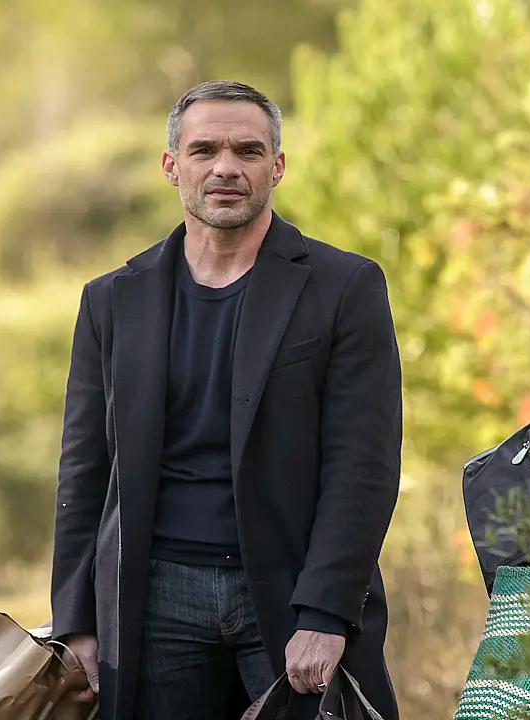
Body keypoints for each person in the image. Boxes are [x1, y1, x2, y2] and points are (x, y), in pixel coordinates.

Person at [48, 80, 403, 720]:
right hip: (151, 601)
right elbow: (84, 468)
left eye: (248, 151)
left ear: (278, 166)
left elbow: (364, 466)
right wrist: (75, 621)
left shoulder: (345, 286)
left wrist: (326, 610)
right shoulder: (112, 300)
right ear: (171, 166)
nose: (225, 168)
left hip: (289, 594)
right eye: (204, 150)